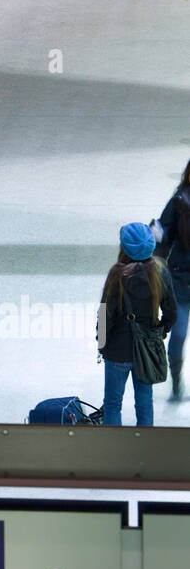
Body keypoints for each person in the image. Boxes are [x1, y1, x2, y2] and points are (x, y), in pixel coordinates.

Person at [98, 223, 175, 426]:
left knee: (112, 403)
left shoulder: (117, 274)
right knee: (144, 402)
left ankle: (111, 442)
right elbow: (171, 313)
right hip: (147, 350)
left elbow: (105, 315)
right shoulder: (160, 271)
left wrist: (102, 345)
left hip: (117, 351)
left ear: (124, 248)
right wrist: (159, 332)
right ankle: (144, 442)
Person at [154, 164, 190, 400]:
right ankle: (176, 385)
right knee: (178, 335)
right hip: (180, 279)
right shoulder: (179, 201)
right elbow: (163, 235)